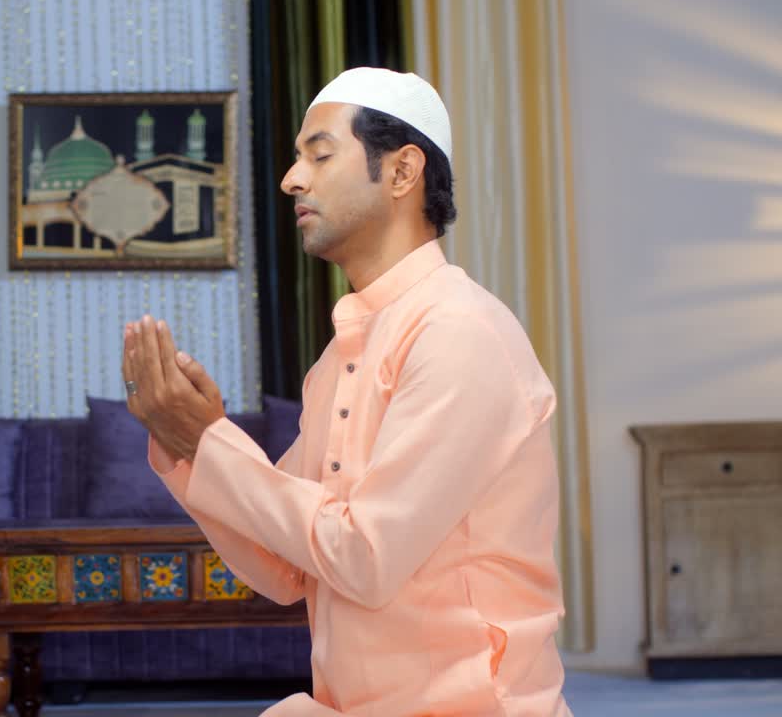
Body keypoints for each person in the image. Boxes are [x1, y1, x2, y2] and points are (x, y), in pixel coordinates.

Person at [120, 67, 572, 716]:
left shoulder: (460, 333)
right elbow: (284, 568)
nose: (291, 179)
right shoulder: (345, 352)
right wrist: (187, 444)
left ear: (400, 172)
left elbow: (364, 558)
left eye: (319, 155)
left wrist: (209, 440)